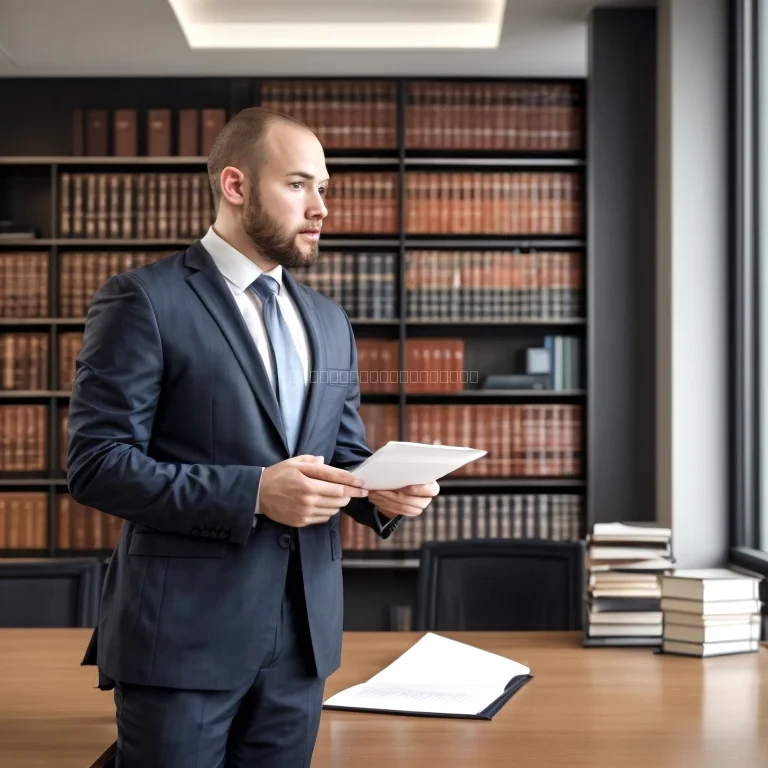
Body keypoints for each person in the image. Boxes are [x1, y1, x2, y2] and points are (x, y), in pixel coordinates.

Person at [68, 106, 440, 768]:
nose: (320, 207)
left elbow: (339, 455)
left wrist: (377, 491)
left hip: (303, 642)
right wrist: (255, 493)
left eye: (324, 187)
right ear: (236, 186)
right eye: (299, 185)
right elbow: (98, 465)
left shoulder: (329, 322)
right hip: (180, 638)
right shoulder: (142, 301)